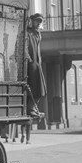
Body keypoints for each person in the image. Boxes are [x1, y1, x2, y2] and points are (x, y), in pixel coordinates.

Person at [22, 13, 47, 144]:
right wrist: (29, 60)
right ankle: (30, 108)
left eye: (40, 22)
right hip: (30, 65)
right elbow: (23, 48)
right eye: (37, 21)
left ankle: (32, 107)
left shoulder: (38, 34)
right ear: (31, 21)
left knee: (42, 90)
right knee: (34, 88)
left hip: (37, 64)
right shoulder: (27, 33)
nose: (38, 23)